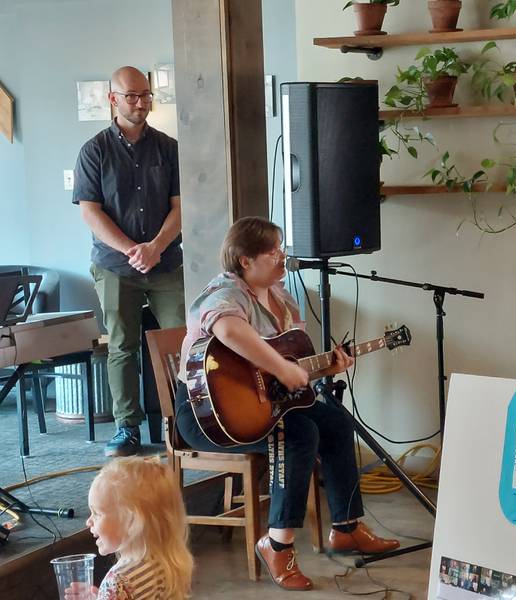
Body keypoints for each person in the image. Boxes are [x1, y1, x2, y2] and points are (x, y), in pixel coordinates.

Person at [175, 217, 399, 591]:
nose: (282, 257)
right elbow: (228, 330)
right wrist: (279, 366)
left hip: (263, 406)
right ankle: (277, 544)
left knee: (336, 422)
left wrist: (327, 364)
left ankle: (345, 527)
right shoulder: (225, 292)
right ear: (245, 260)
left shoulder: (282, 298)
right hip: (207, 416)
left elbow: (286, 372)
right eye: (273, 251)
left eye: (281, 248)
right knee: (298, 433)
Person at [73, 66, 185, 457]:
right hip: (115, 265)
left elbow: (180, 207)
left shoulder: (168, 148)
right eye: (132, 96)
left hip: (166, 261)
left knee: (182, 340)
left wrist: (154, 246)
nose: (140, 103)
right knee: (122, 346)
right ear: (113, 99)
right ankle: (127, 429)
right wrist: (131, 250)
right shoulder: (94, 151)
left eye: (145, 95)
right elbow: (90, 212)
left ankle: (183, 421)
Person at [65, 457, 193, 600]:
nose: (88, 521)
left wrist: (108, 594)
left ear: (131, 522)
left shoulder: (118, 581)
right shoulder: (166, 562)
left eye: (97, 513)